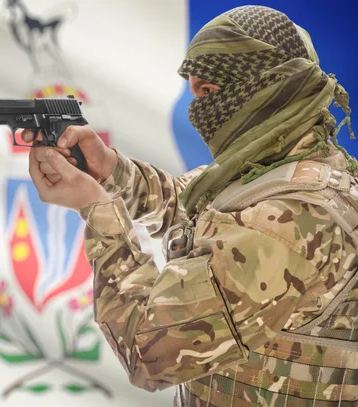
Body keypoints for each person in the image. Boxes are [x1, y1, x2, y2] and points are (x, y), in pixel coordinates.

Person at [24, 5, 358, 407]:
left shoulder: (291, 220)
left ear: (264, 86)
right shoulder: (280, 170)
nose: (196, 109)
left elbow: (149, 354)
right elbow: (189, 204)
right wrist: (109, 168)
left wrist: (98, 210)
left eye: (208, 92)